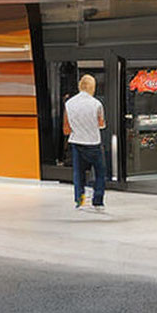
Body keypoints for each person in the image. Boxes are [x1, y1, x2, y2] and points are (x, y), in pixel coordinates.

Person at [64, 74, 107, 211]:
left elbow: (66, 129)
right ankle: (98, 201)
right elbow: (101, 124)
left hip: (76, 142)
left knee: (78, 173)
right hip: (93, 142)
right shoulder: (96, 104)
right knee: (100, 173)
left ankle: (79, 200)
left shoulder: (69, 103)